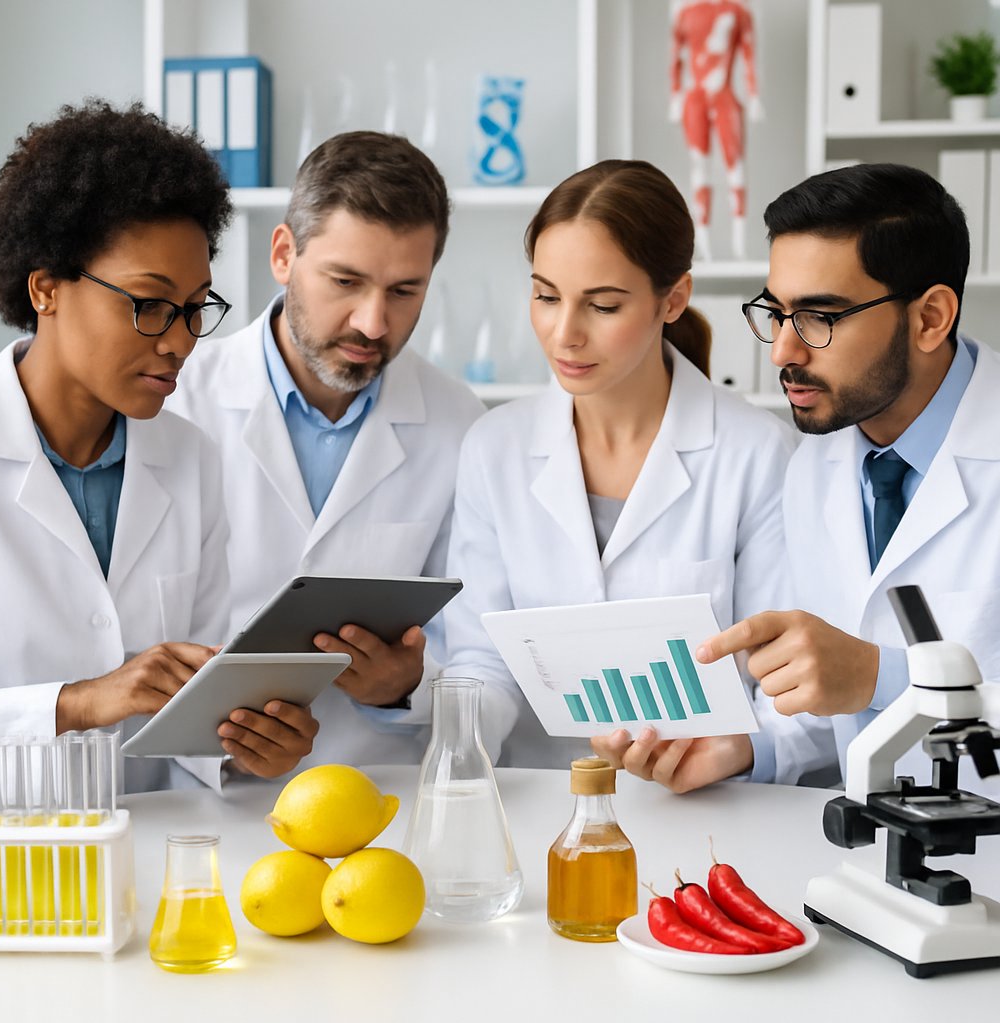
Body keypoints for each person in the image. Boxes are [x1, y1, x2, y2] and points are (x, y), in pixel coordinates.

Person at [605, 162, 1000, 793]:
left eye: (820, 317)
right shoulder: (815, 464)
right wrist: (744, 748)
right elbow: (830, 697)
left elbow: (862, 676)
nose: (782, 352)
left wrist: (881, 676)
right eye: (776, 312)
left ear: (930, 318)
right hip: (875, 852)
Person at [0, 100, 318, 792]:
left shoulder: (189, 459)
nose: (181, 340)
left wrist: (246, 746)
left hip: (152, 856)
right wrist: (78, 703)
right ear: (45, 289)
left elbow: (189, 715)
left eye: (195, 307)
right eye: (149, 303)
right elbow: (107, 699)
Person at [442, 159, 795, 768]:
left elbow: (788, 683)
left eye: (602, 307)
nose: (564, 335)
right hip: (541, 800)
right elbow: (480, 657)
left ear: (673, 299)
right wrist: (457, 757)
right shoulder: (493, 447)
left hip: (709, 814)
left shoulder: (759, 454)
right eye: (546, 297)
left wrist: (742, 753)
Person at [169, 131, 484, 766]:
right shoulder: (177, 405)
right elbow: (141, 632)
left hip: (377, 791)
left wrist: (403, 689)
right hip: (206, 793)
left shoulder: (459, 424)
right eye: (346, 281)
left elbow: (475, 647)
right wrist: (222, 742)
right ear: (283, 254)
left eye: (404, 291)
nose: (373, 322)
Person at [668, 0, 763, 261]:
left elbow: (748, 52)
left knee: (736, 167)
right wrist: (676, 98)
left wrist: (753, 95)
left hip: (724, 95)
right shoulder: (685, 12)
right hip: (695, 98)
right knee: (700, 167)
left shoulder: (737, 11)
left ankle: (739, 243)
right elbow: (676, 55)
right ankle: (703, 244)